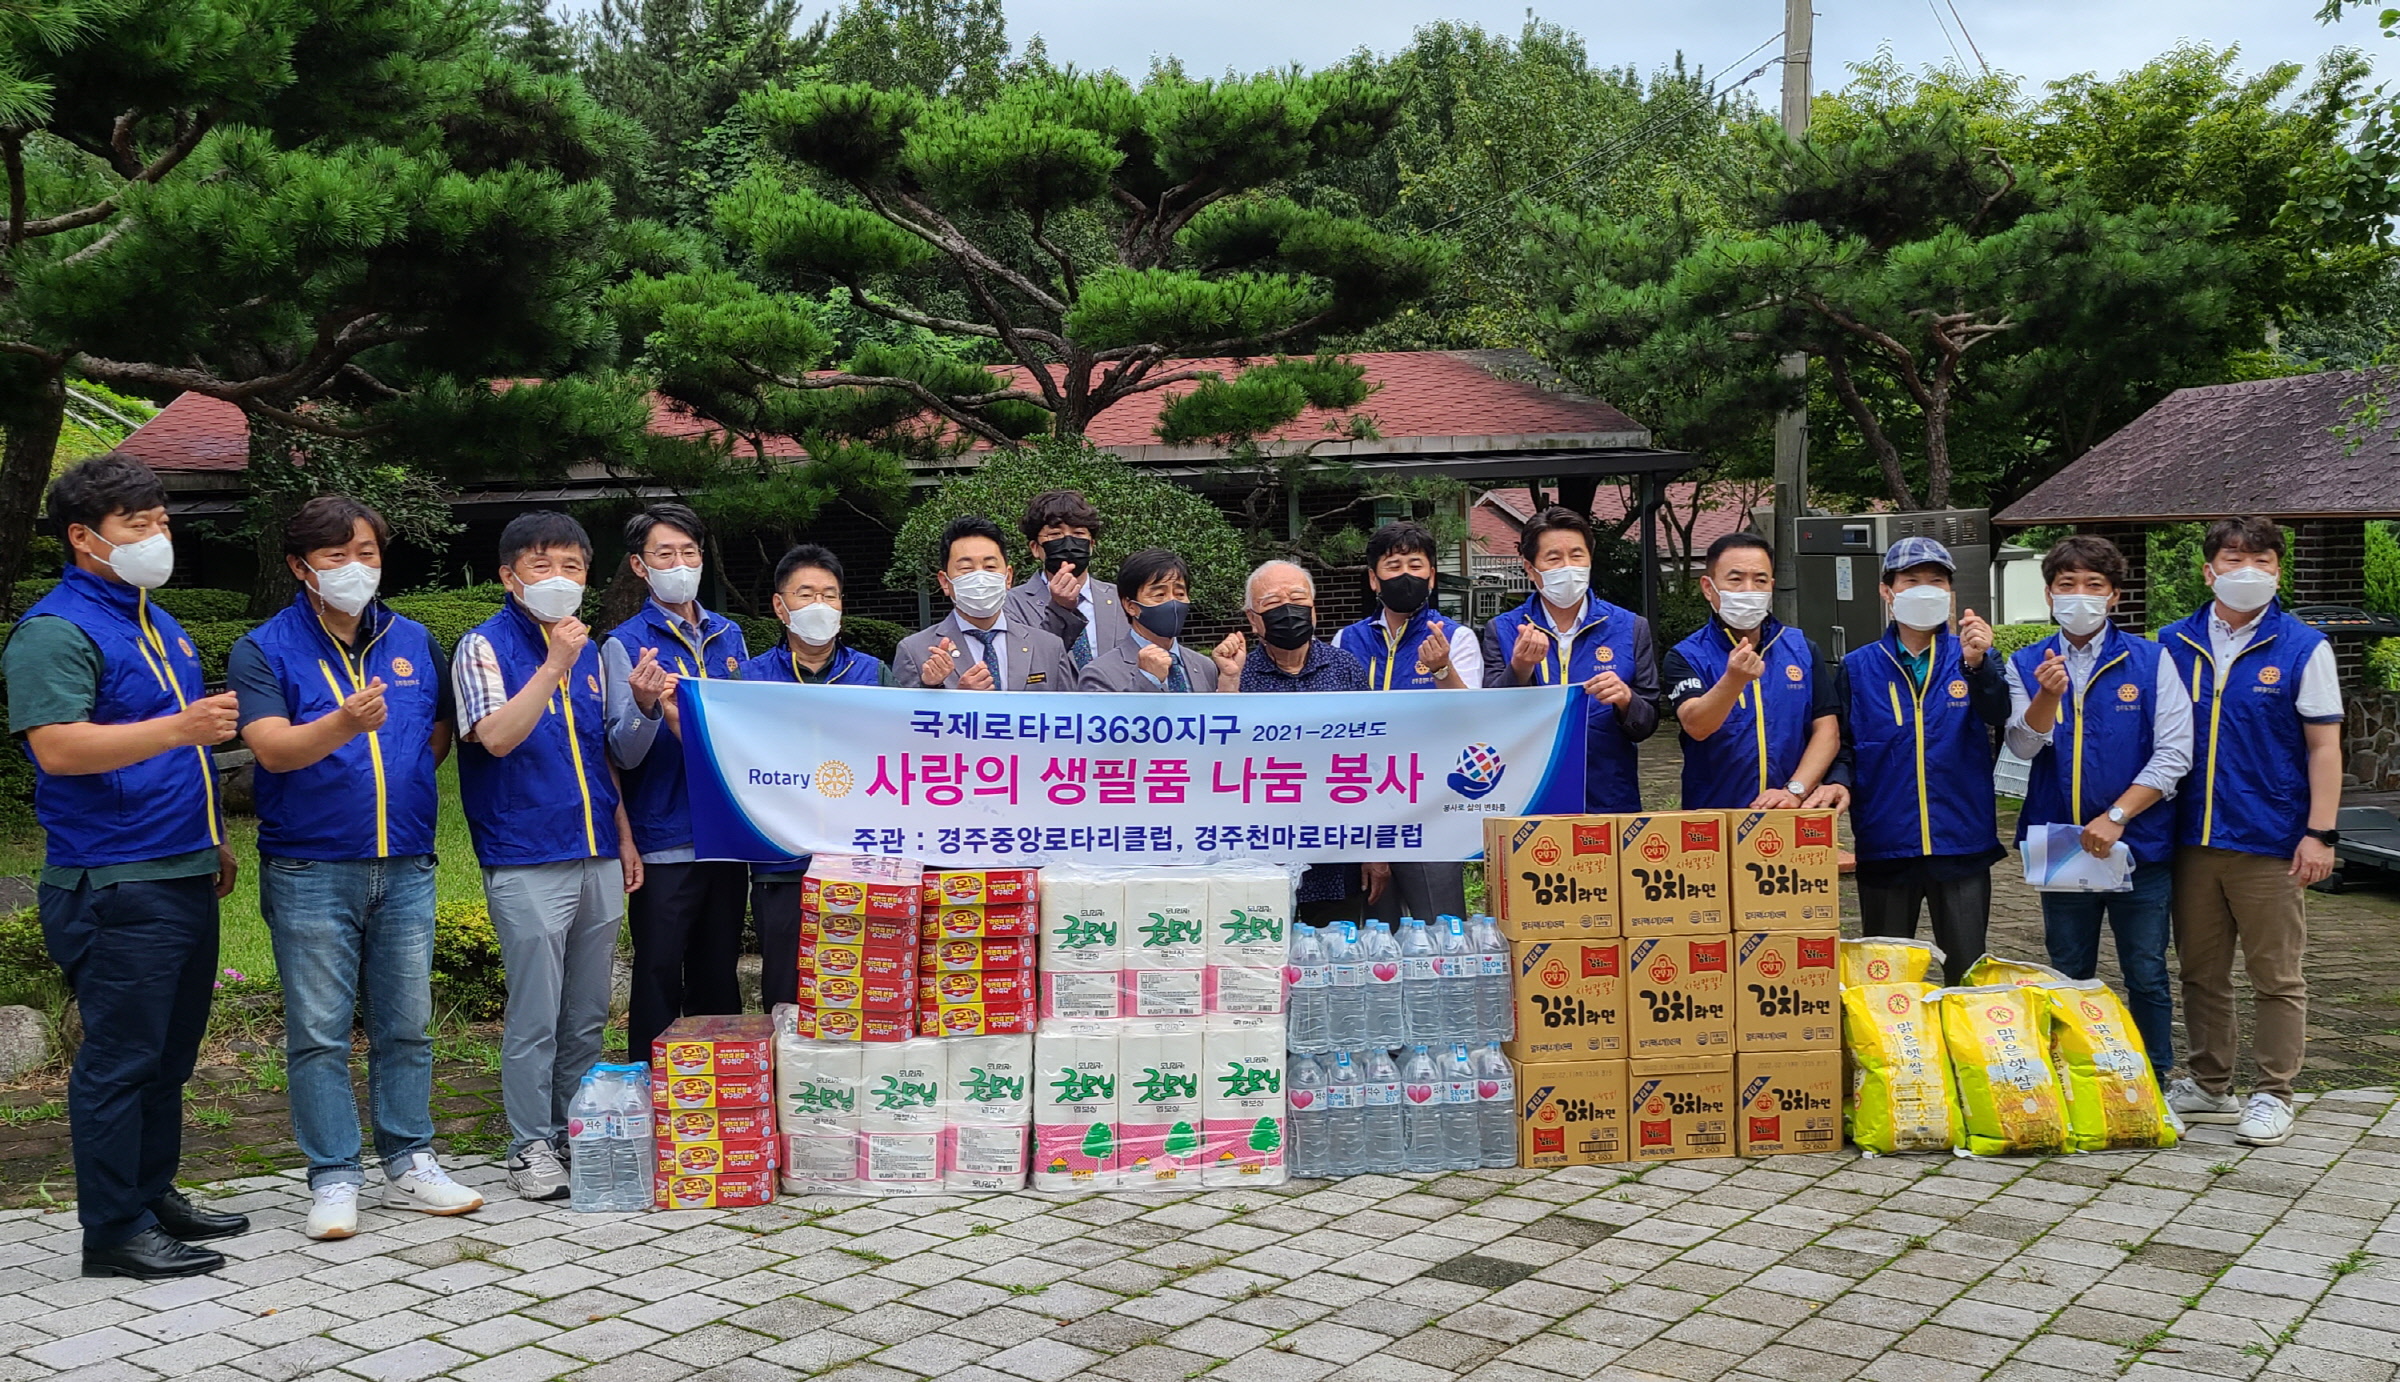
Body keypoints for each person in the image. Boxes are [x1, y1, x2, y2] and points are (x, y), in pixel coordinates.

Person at [7, 453, 247, 1279]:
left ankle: (153, 1193)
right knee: (120, 1059)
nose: (156, 537)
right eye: (136, 526)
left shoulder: (154, 619)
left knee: (169, 1053)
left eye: (161, 522)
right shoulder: (55, 630)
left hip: (178, 866)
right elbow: (60, 747)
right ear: (84, 537)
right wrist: (181, 728)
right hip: (113, 879)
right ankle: (113, 1230)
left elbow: (174, 751)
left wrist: (212, 835)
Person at [230, 497, 484, 1240]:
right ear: (299, 567)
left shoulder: (413, 639)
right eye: (337, 556)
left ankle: (411, 1159)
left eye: (367, 552)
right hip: (309, 866)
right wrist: (344, 723)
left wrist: (398, 764)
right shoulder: (263, 648)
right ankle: (334, 1176)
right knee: (319, 1033)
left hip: (405, 862)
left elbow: (436, 729)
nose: (355, 568)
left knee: (408, 1027)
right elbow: (271, 749)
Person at [453, 511, 642, 1201]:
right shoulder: (483, 646)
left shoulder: (590, 654)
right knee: (537, 1011)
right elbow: (496, 736)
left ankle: (573, 1129)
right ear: (508, 576)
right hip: (526, 854)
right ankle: (527, 1143)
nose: (559, 580)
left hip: (594, 849)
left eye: (572, 566)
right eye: (541, 566)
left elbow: (601, 759)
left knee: (587, 1010)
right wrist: (554, 663)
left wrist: (622, 837)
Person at [2159, 517, 2343, 1148]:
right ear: (2208, 570)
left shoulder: (2303, 646)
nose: (2246, 571)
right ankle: (2209, 1084)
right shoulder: (2172, 643)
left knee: (2276, 975)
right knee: (2200, 971)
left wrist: (2321, 832)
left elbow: (2323, 746)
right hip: (2189, 840)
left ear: (2277, 571)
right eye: (2232, 559)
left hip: (2270, 838)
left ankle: (2273, 1092)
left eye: (2260, 561)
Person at [2003, 535, 2191, 1084]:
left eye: (2094, 586)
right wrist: (2047, 697)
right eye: (2067, 586)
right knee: (2067, 969)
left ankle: (2155, 1078)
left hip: (2139, 843)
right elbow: (2021, 746)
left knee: (2148, 971)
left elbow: (2175, 749)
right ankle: (2073, 1078)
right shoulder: (2026, 662)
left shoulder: (2151, 658)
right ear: (2049, 595)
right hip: (2062, 844)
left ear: (2113, 596)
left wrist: (2117, 816)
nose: (2079, 596)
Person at [603, 504, 750, 1067]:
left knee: (719, 968)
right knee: (660, 970)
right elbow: (621, 751)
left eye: (689, 553)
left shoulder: (729, 635)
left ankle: (725, 1091)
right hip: (664, 834)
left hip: (726, 833)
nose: (680, 564)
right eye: (665, 554)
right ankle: (652, 1090)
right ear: (641, 567)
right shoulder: (624, 643)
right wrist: (643, 706)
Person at [1838, 537, 2008, 986]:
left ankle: (1966, 1052)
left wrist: (1979, 666)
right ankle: (1895, 1056)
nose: (1924, 590)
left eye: (1936, 581)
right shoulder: (1858, 667)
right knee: (1887, 975)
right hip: (1886, 840)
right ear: (1887, 591)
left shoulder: (1971, 657)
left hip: (1961, 839)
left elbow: (2000, 715)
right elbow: (1844, 746)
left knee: (1969, 973)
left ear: (1950, 594)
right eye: (1911, 581)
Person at [736, 544, 890, 1010]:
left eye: (831, 595)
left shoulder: (872, 673)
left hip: (858, 855)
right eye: (806, 595)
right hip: (779, 859)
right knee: (785, 986)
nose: (820, 606)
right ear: (780, 606)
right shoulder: (747, 680)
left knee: (861, 978)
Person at [1335, 521, 1481, 922]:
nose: (1405, 575)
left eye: (1415, 565)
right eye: (1393, 565)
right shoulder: (1346, 641)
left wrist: (1441, 669)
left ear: (1432, 576)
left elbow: (1471, 721)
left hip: (1431, 805)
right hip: (1362, 801)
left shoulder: (1458, 638)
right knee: (1375, 934)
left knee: (1441, 925)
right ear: (1373, 579)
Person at [1216, 560, 1370, 922]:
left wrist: (1374, 850)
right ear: (1253, 619)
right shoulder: (1240, 675)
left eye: (1297, 598)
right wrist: (1228, 682)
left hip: (1336, 851)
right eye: (1272, 603)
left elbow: (1371, 759)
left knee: (1333, 956)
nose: (1287, 610)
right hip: (1260, 850)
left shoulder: (1345, 668)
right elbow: (1219, 754)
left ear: (1314, 610)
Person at [1480, 506, 1659, 812]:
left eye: (1577, 555)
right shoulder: (1504, 629)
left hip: (1608, 798)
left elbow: (1647, 723)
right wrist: (1520, 668)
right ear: (1529, 567)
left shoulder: (1630, 627)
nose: (1568, 567)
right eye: (1554, 558)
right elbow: (1491, 721)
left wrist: (1626, 700)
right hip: (1528, 798)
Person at [1667, 532, 1850, 813]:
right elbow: (1697, 726)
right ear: (1708, 587)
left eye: (1760, 580)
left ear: (1772, 587)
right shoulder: (1687, 655)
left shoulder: (1801, 648)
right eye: (1736, 579)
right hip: (1714, 817)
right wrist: (1733, 681)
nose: (1748, 590)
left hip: (1791, 813)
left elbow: (1827, 730)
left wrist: (1795, 791)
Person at [894, 514, 1073, 691]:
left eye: (990, 567)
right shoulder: (916, 651)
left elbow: (1068, 715)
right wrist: (957, 700)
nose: (980, 577)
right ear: (945, 581)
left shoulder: (1048, 646)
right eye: (966, 569)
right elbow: (901, 718)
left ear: (1008, 576)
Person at [1003, 489, 1128, 674]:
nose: (1068, 542)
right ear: (1035, 548)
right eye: (1055, 535)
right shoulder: (1011, 604)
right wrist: (1060, 609)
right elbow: (1024, 665)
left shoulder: (1122, 599)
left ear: (1091, 545)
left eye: (1078, 533)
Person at [1078, 547, 1220, 693]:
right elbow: (1110, 715)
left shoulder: (1205, 667)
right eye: (1159, 594)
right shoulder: (1100, 673)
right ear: (1130, 606)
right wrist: (1147, 679)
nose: (1172, 602)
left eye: (1180, 594)